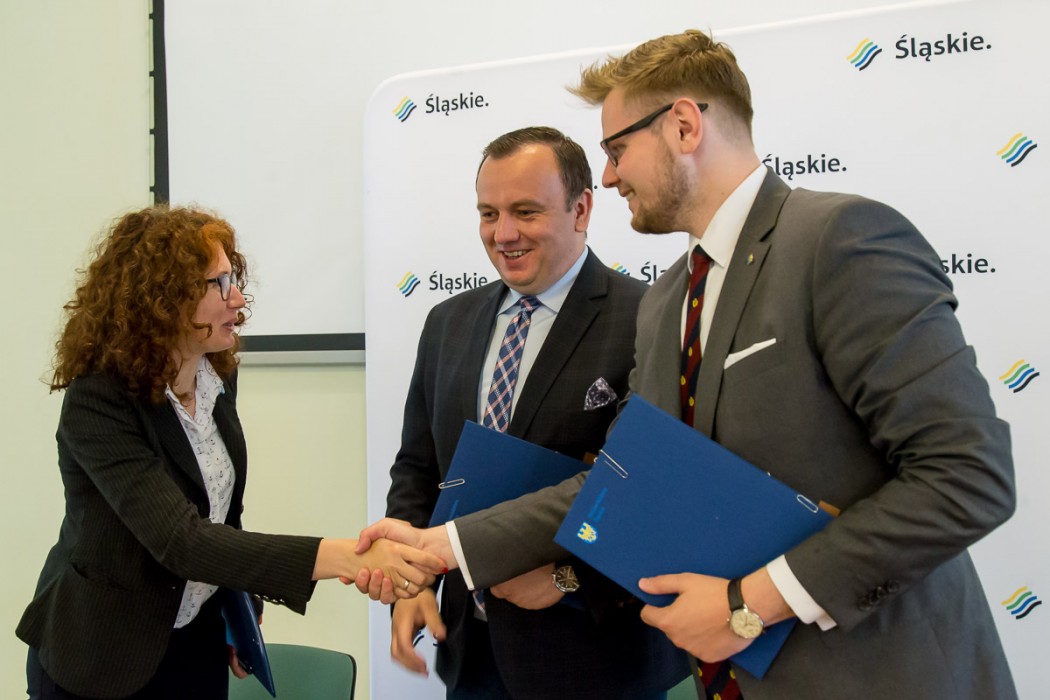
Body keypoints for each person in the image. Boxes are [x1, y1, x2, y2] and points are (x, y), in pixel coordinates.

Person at [361, 30, 1018, 699]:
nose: (609, 175)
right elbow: (626, 476)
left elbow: (968, 476)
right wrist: (446, 547)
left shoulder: (839, 242)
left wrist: (749, 603)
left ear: (682, 125)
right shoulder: (670, 299)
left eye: (617, 150)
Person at [16, 206, 445, 700]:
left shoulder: (216, 374)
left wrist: (240, 612)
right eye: (218, 283)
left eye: (233, 279)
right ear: (162, 300)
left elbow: (220, 510)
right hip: (102, 653)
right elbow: (181, 540)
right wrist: (349, 557)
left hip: (196, 639)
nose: (237, 298)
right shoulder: (99, 400)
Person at [375, 127, 688, 699]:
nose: (504, 234)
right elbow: (418, 468)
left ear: (581, 209)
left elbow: (655, 493)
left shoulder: (649, 318)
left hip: (596, 659)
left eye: (525, 212)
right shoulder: (447, 323)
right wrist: (410, 580)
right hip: (472, 653)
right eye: (488, 214)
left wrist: (570, 579)